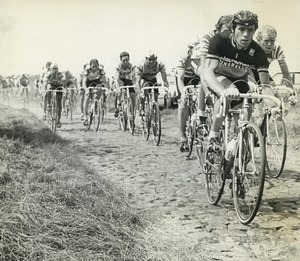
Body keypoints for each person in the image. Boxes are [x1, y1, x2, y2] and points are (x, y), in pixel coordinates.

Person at [203, 10, 273, 147]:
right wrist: (221, 92)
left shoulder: (257, 51)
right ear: (233, 29)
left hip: (239, 79)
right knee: (228, 94)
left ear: (254, 32)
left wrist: (273, 106)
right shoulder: (220, 40)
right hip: (219, 76)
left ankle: (238, 144)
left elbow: (265, 86)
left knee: (247, 109)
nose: (246, 35)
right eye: (241, 29)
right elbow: (208, 72)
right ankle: (214, 136)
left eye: (250, 30)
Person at [196, 15, 233, 126]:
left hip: (218, 61)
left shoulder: (233, 38)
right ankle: (200, 112)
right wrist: (208, 93)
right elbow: (204, 69)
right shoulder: (207, 38)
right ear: (217, 30)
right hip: (203, 60)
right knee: (206, 73)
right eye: (226, 31)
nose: (228, 35)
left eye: (231, 32)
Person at [176, 36, 201, 151]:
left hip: (198, 78)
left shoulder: (203, 56)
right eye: (195, 49)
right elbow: (180, 79)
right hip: (185, 80)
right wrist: (183, 92)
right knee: (183, 103)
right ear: (190, 50)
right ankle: (182, 137)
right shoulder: (183, 58)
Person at [135, 50, 169, 116]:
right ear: (146, 59)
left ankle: (155, 110)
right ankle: (142, 107)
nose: (151, 62)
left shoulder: (160, 65)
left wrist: (167, 90)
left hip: (153, 78)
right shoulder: (141, 65)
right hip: (144, 79)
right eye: (149, 59)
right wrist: (140, 92)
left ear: (156, 59)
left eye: (154, 59)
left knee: (156, 94)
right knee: (144, 92)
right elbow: (137, 82)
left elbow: (164, 79)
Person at [82, 59, 108, 126]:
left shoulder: (100, 70)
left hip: (97, 81)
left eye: (96, 66)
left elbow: (104, 80)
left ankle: (95, 106)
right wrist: (86, 89)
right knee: (87, 97)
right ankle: (85, 117)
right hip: (88, 82)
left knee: (99, 92)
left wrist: (107, 88)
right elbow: (84, 82)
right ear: (90, 66)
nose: (95, 68)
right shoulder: (87, 70)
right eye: (93, 66)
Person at [114, 51, 136, 118]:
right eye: (124, 60)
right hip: (120, 80)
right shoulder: (118, 66)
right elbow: (117, 79)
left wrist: (136, 86)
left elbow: (135, 77)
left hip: (128, 80)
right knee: (119, 92)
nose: (125, 62)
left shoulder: (132, 66)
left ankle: (132, 112)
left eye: (127, 60)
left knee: (133, 95)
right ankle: (117, 108)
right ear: (121, 60)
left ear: (129, 59)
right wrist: (118, 88)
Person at [44, 63, 65, 128]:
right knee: (49, 88)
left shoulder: (60, 74)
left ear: (58, 69)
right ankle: (48, 104)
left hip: (58, 86)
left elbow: (64, 81)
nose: (54, 70)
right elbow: (45, 81)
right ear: (51, 69)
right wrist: (45, 87)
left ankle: (58, 120)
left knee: (59, 104)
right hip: (51, 86)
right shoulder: (48, 74)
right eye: (53, 69)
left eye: (56, 69)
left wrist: (64, 86)